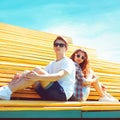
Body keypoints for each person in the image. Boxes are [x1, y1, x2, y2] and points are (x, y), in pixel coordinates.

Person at [0, 36, 76, 101]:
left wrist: (37, 76)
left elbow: (58, 76)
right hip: (48, 93)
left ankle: (7, 90)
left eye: (61, 45)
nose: (58, 46)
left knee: (37, 70)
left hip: (61, 94)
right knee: (27, 73)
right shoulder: (52, 63)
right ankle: (7, 90)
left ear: (66, 48)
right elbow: (39, 76)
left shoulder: (68, 62)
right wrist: (21, 76)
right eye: (56, 44)